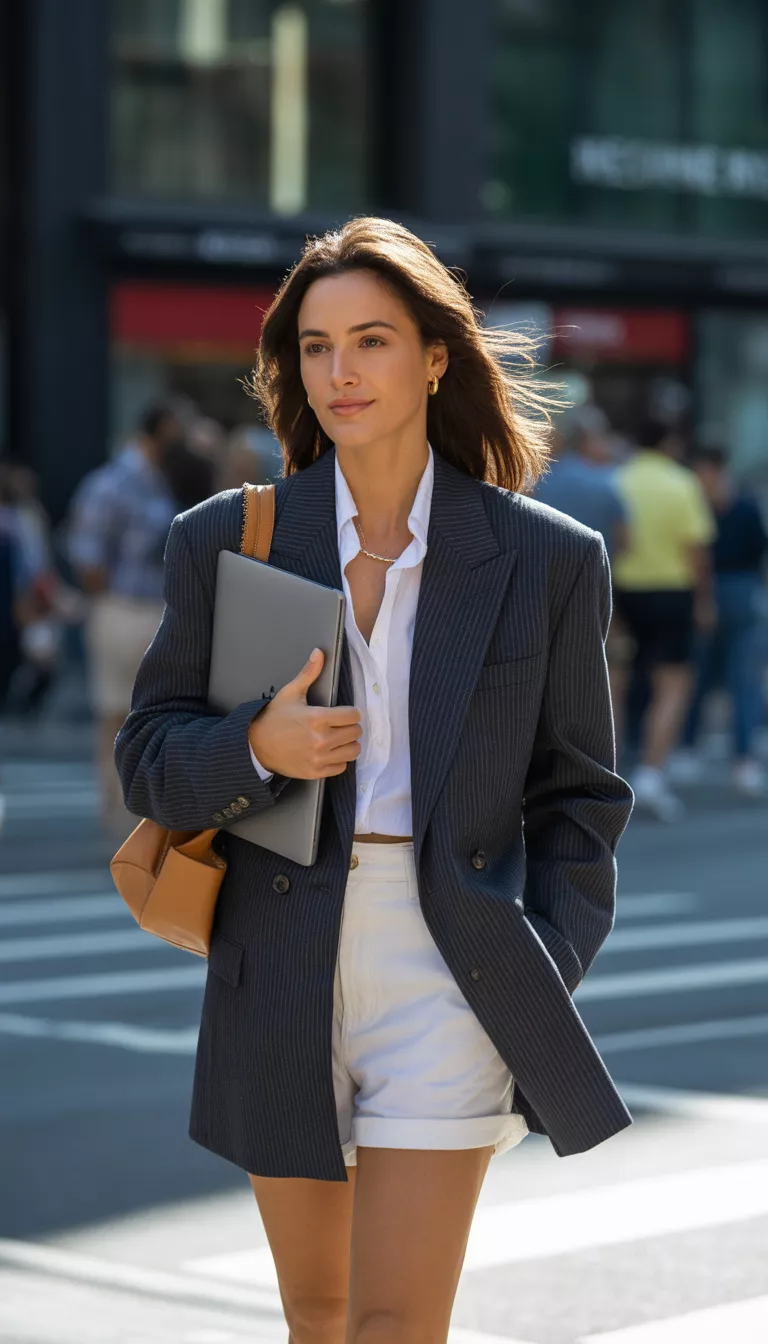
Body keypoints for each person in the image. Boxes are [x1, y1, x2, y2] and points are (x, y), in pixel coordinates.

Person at [115, 217, 634, 1344]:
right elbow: (148, 762)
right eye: (314, 347)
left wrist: (540, 956)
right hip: (277, 952)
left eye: (371, 341)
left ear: (435, 358)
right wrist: (259, 749)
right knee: (318, 1317)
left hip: (451, 964)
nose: (340, 373)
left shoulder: (546, 557)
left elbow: (580, 795)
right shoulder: (231, 541)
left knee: (395, 1322)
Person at [66, 403, 184, 829]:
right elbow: (87, 556)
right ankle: (116, 814)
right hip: (121, 607)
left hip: (157, 609)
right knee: (115, 712)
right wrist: (109, 601)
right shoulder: (112, 483)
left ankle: (139, 814)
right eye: (176, 427)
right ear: (159, 429)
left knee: (152, 712)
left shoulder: (159, 480)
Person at [611, 420, 717, 821]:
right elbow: (697, 550)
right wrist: (704, 601)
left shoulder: (616, 479)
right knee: (672, 685)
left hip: (621, 592)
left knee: (614, 680)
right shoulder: (682, 483)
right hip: (672, 592)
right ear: (669, 443)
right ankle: (652, 773)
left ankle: (608, 767)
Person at [671, 447, 768, 797]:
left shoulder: (734, 505)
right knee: (700, 674)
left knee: (741, 680)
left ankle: (742, 758)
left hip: (732, 593)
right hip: (718, 593)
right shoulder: (711, 505)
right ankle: (688, 747)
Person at [533, 403, 628, 561]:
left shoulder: (534, 484)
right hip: (598, 575)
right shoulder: (607, 482)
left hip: (543, 575)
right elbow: (624, 541)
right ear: (586, 441)